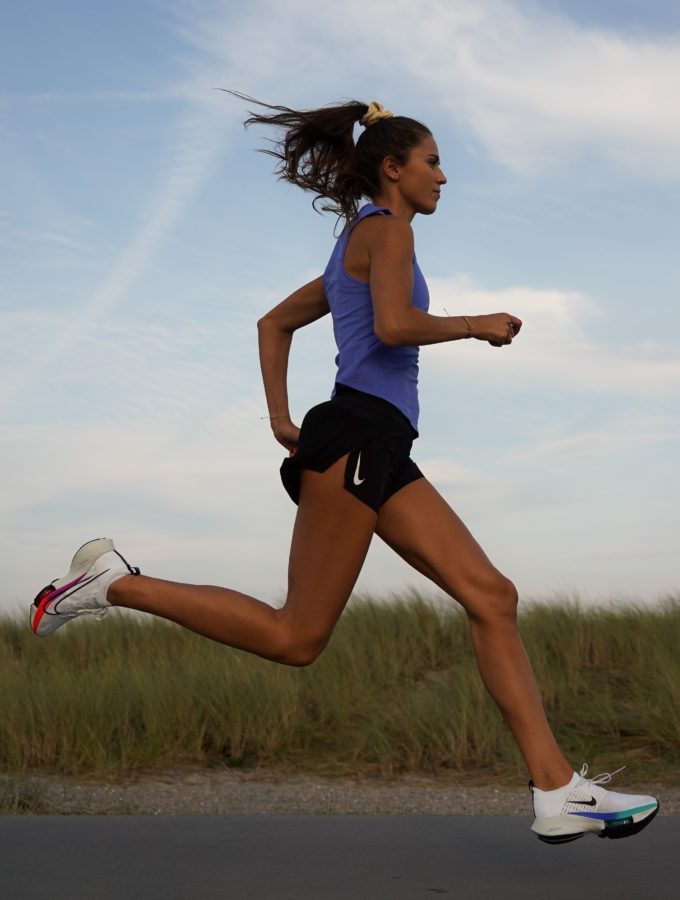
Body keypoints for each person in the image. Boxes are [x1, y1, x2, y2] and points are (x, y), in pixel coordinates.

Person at [30, 96, 659, 843]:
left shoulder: (355, 243)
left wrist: (282, 422)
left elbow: (274, 323)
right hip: (359, 436)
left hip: (375, 443)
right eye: (432, 162)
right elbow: (393, 326)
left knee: (492, 596)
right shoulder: (388, 233)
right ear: (393, 169)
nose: (444, 177)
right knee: (296, 638)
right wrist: (474, 323)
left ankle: (558, 791)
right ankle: (113, 583)